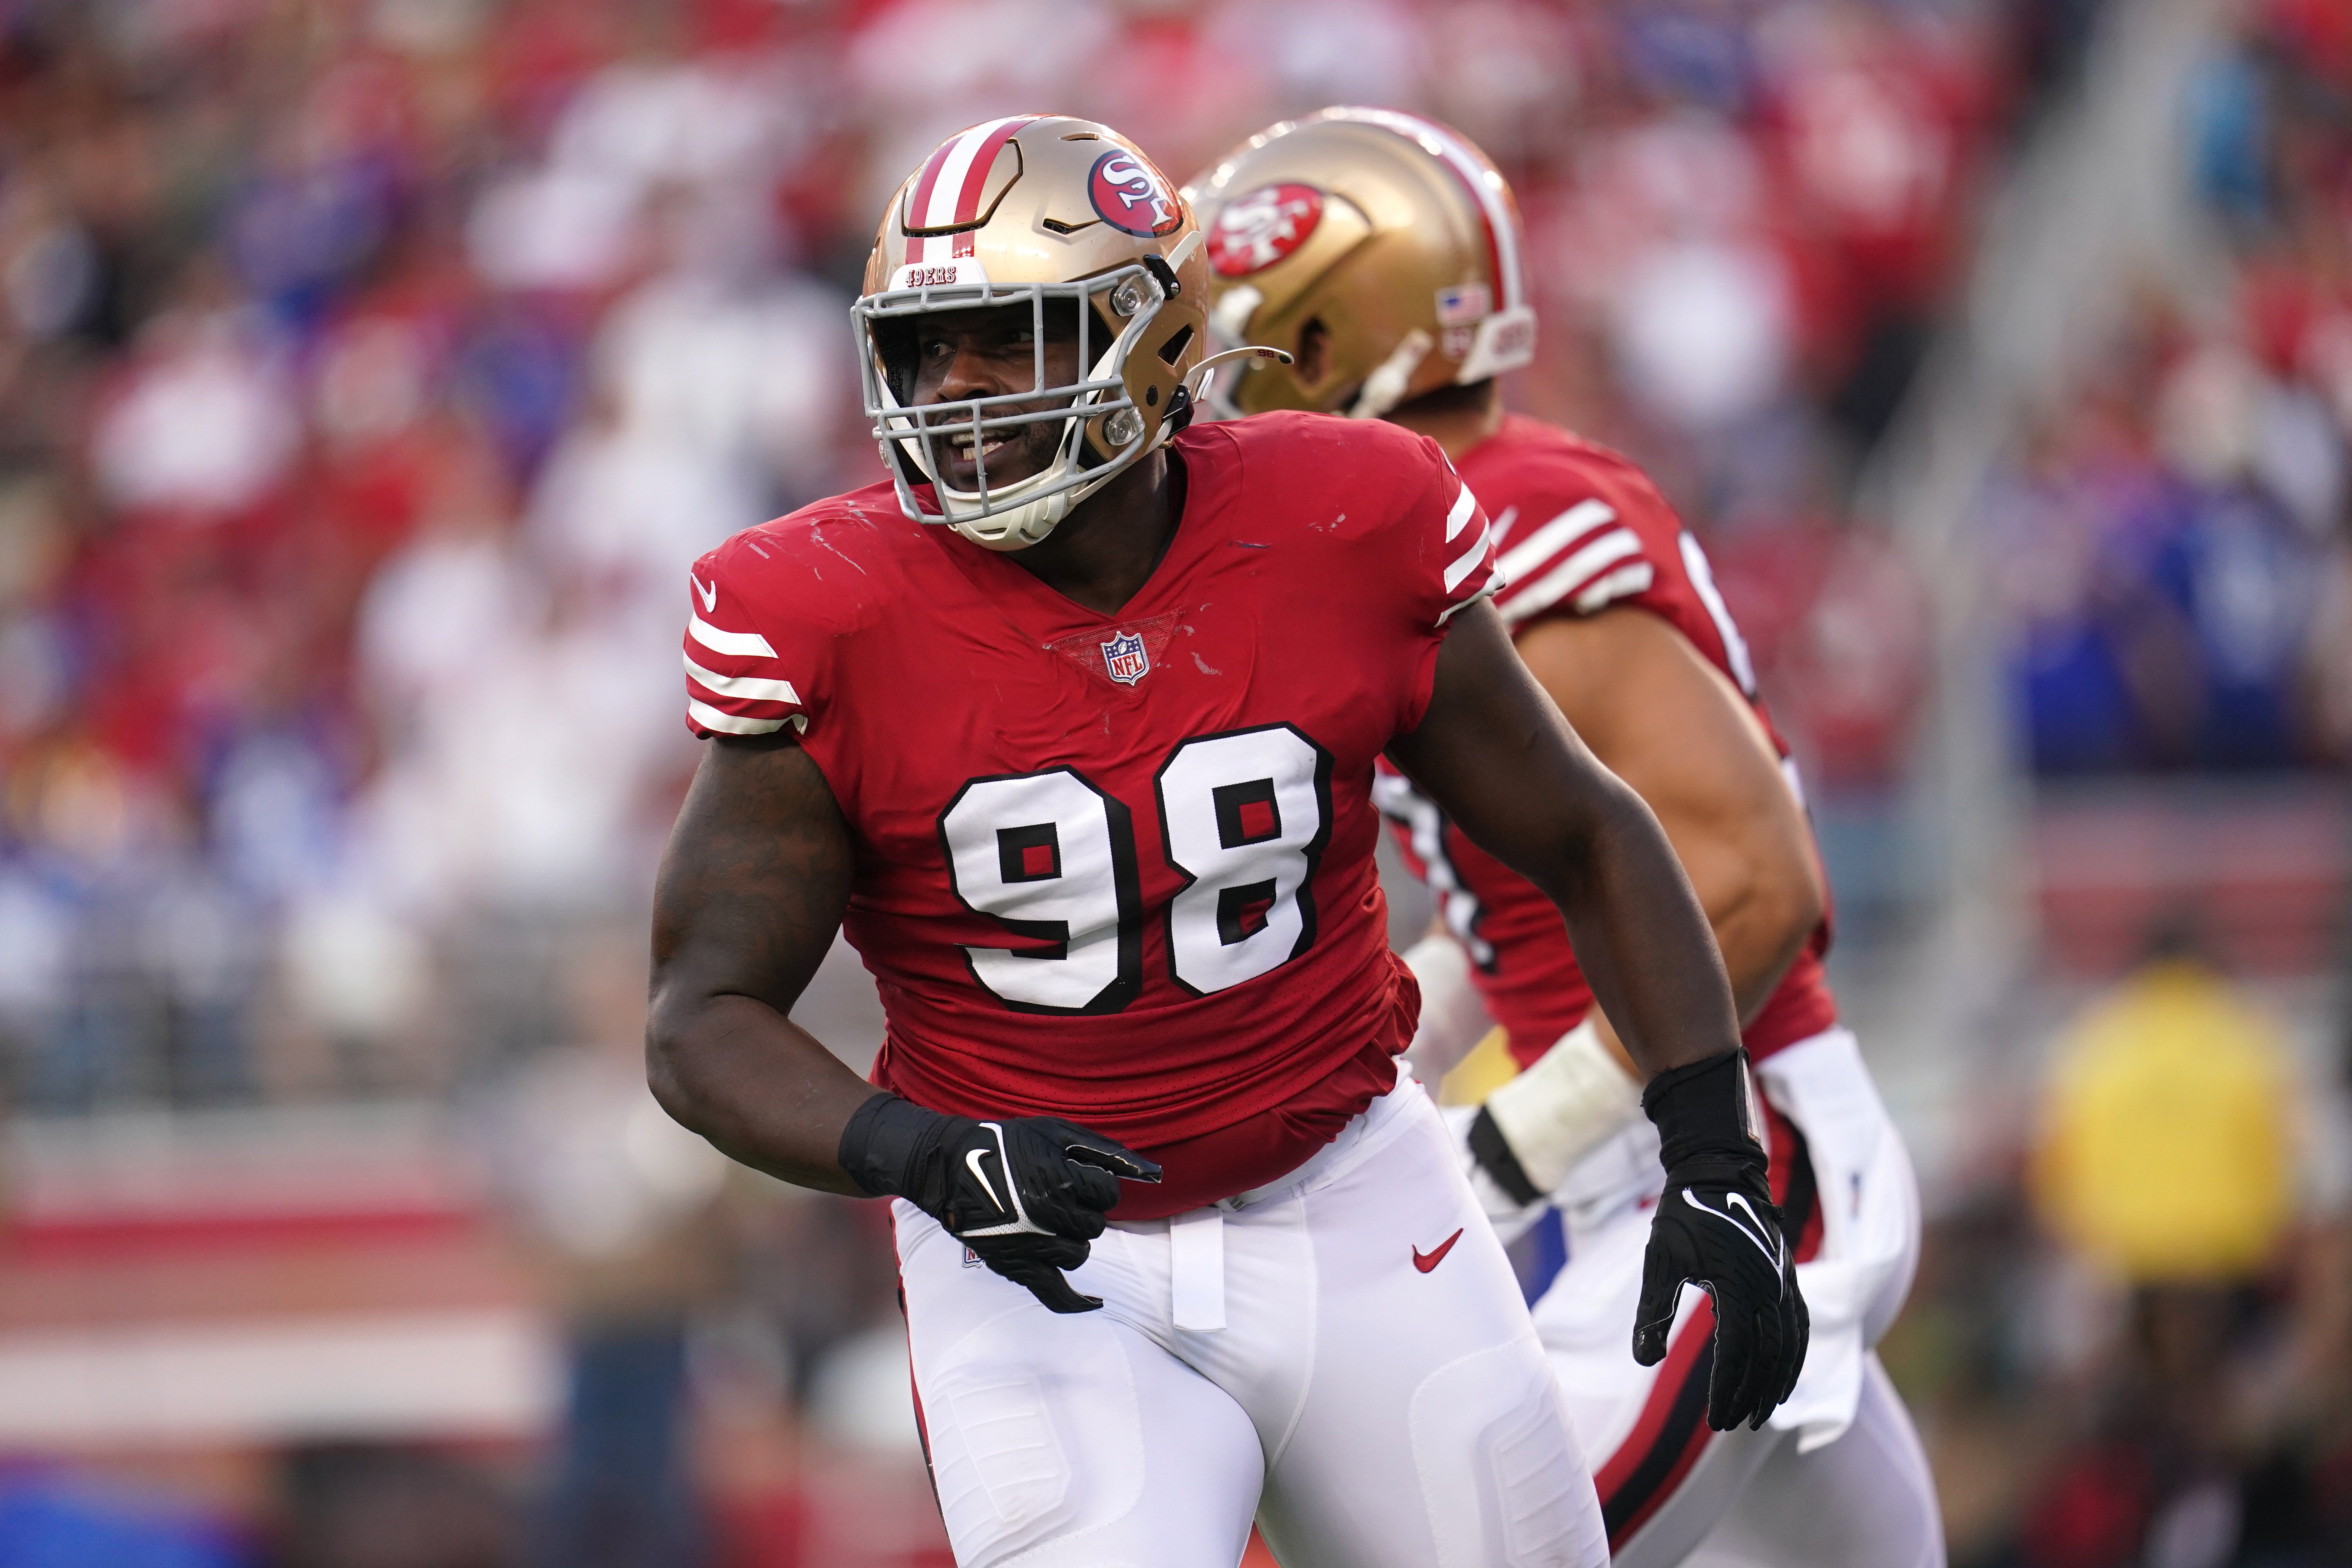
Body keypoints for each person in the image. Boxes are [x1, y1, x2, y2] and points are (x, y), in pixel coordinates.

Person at [646, 115, 1804, 1568]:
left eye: (1009, 336)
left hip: (1354, 1194)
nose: (956, 390)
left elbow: (1583, 833)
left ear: (1153, 334)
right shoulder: (820, 609)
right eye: (926, 349)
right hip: (1042, 1265)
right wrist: (927, 1154)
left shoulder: (1345, 517)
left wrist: (1714, 1153)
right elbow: (701, 1018)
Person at [1190, 107, 1941, 1568]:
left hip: (1729, 1156)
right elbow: (1507, 898)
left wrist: (1521, 1139)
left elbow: (1752, 878)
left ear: (1334, 341)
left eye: (1246, 347)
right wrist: (1382, 1074)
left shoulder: (1514, 527)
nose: (1218, 400)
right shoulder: (1436, 522)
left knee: (1492, 1550)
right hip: (1655, 1160)